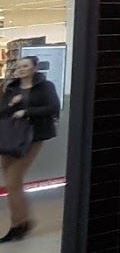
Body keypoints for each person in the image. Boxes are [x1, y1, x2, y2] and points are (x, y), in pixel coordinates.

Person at [0, 56, 59, 242]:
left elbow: (53, 107)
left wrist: (26, 111)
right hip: (11, 137)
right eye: (19, 66)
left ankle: (17, 225)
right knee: (12, 183)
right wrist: (11, 104)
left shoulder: (45, 86)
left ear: (34, 68)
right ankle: (23, 222)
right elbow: (2, 112)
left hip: (33, 137)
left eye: (25, 66)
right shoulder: (12, 88)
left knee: (12, 181)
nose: (22, 69)